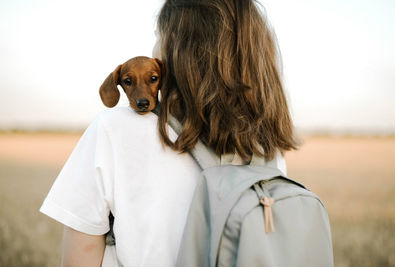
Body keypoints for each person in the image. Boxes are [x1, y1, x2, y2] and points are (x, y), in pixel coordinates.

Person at [40, 0, 297, 266]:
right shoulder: (267, 146)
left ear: (180, 50)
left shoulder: (113, 128)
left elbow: (81, 253)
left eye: (158, 35)